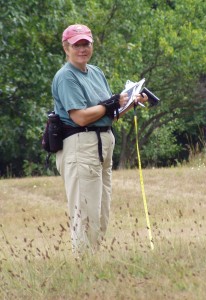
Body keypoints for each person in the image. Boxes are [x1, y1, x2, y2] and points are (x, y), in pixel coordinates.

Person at [52, 24, 147, 255]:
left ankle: (93, 260)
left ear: (92, 45)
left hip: (102, 144)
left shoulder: (95, 72)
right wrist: (111, 103)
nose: (82, 49)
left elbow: (109, 114)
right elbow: (81, 117)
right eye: (77, 45)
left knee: (102, 212)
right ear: (66, 48)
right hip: (80, 145)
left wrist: (129, 102)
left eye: (86, 44)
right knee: (85, 212)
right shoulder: (66, 77)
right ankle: (84, 266)